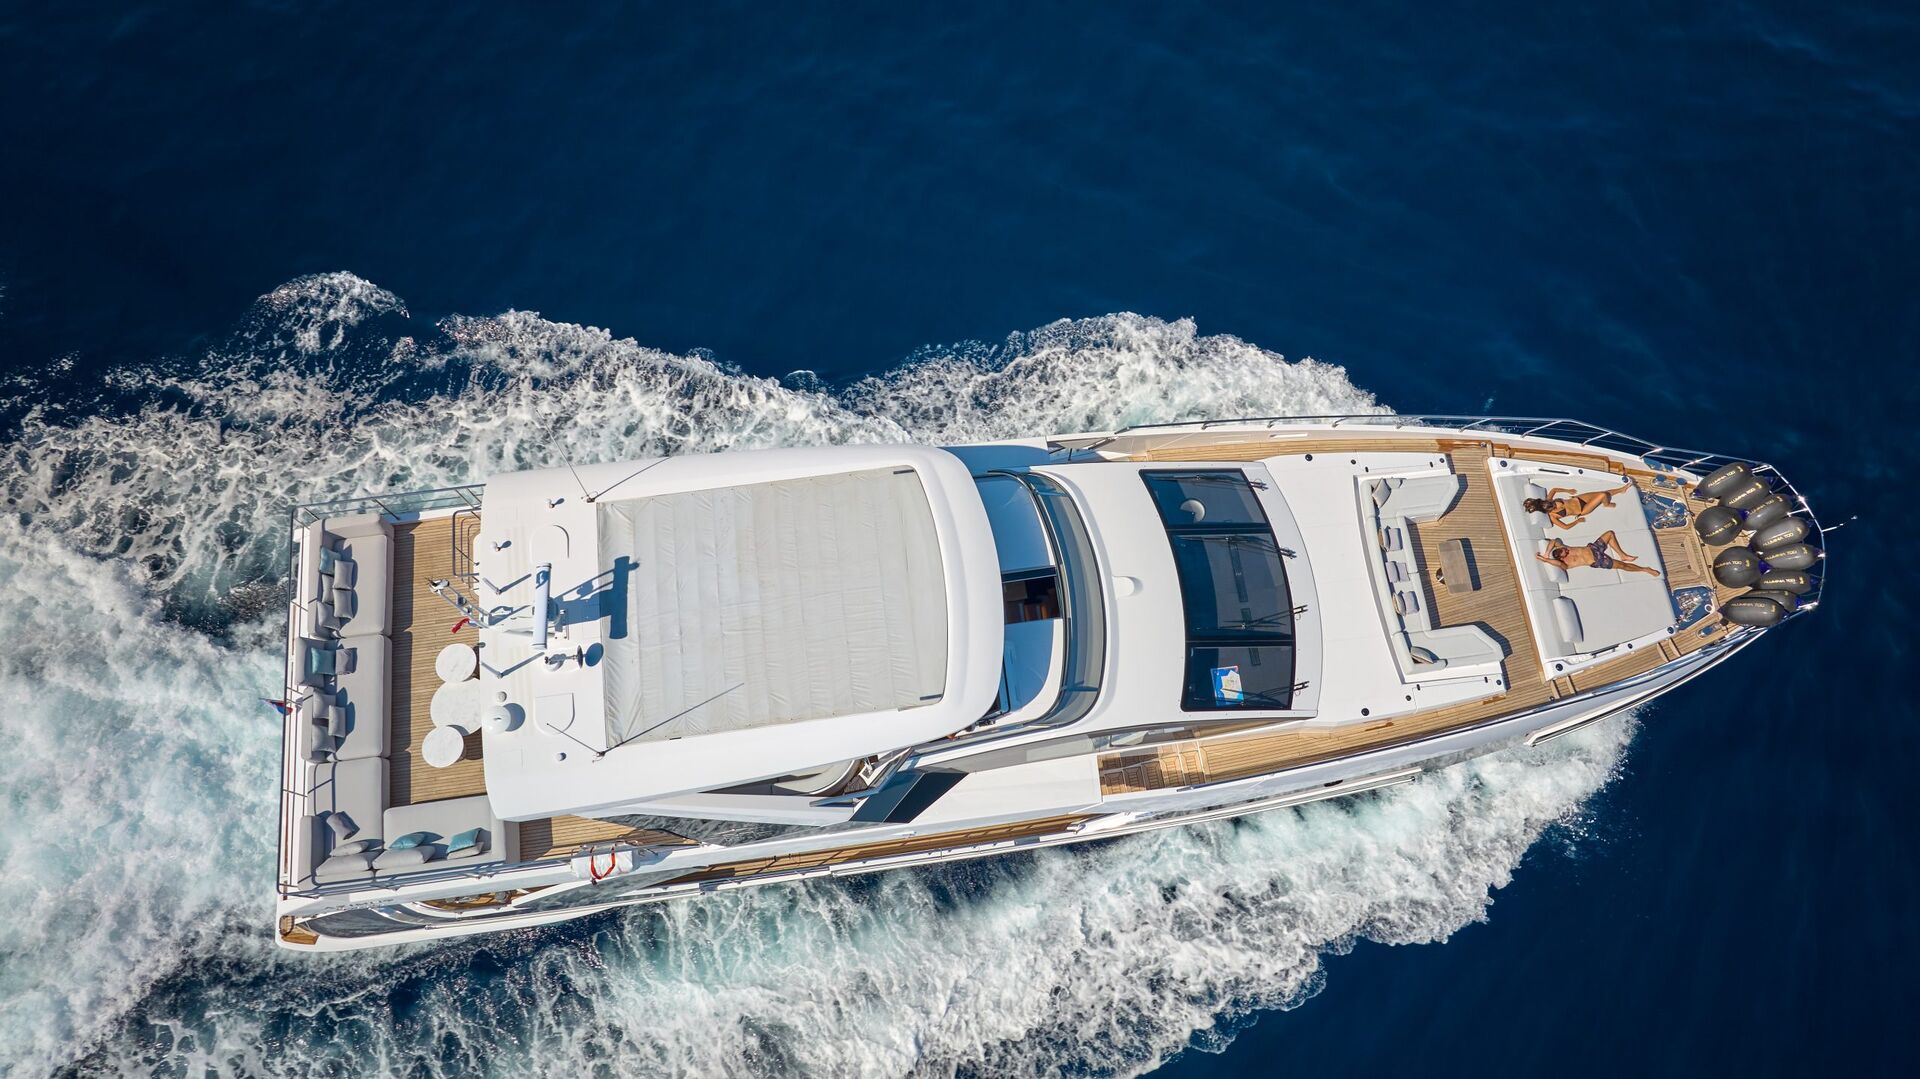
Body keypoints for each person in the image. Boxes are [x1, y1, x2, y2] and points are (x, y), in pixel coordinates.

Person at [1537, 531, 1661, 576]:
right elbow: (1556, 564)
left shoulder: (1563, 547)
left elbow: (1553, 541)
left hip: (1594, 548)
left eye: (1563, 549)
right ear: (1561, 557)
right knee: (1622, 566)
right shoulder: (1565, 564)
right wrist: (1546, 560)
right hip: (1598, 560)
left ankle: (1622, 555)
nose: (1566, 550)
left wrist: (1546, 553)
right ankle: (1645, 570)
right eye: (1564, 552)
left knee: (1610, 533)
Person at [1522, 485, 1632, 531]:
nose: (1554, 505)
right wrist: (1577, 521)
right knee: (1603, 495)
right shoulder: (1553, 516)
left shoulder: (1549, 501)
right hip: (1583, 510)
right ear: (1547, 511)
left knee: (1602, 493)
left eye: (1554, 504)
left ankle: (1620, 490)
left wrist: (1568, 490)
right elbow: (1565, 527)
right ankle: (1606, 504)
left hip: (1579, 499)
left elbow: (1554, 490)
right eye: (1552, 507)